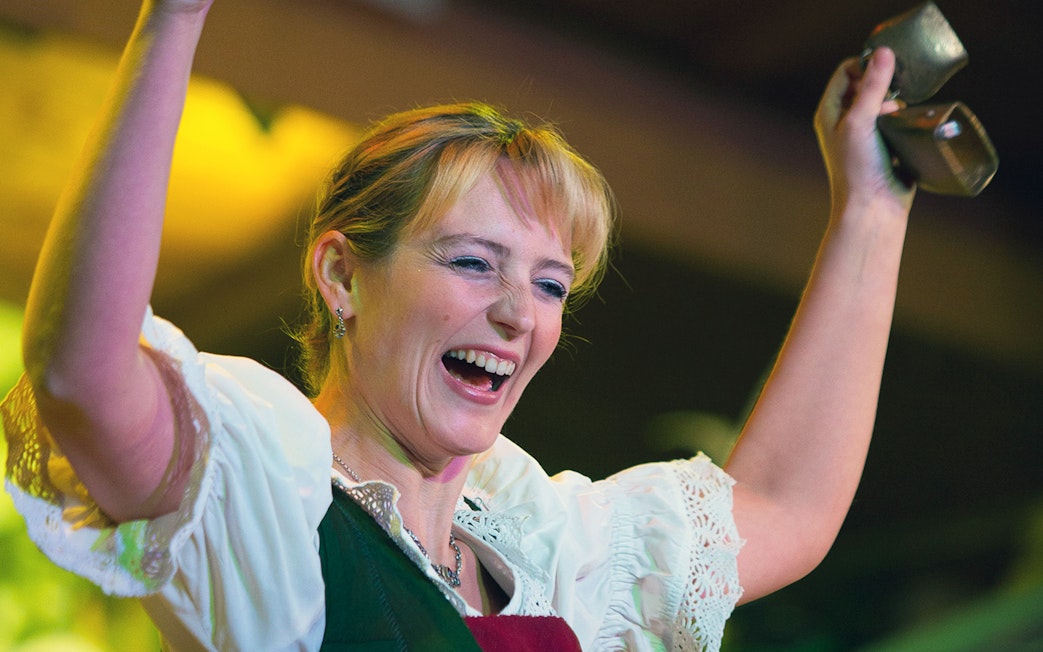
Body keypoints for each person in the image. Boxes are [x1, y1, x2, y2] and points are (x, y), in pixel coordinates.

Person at [0, 0, 915, 650]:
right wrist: (177, 14)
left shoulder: (556, 552)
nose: (519, 314)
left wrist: (870, 207)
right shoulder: (268, 494)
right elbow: (83, 376)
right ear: (341, 276)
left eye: (552, 285)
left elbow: (786, 507)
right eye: (473, 263)